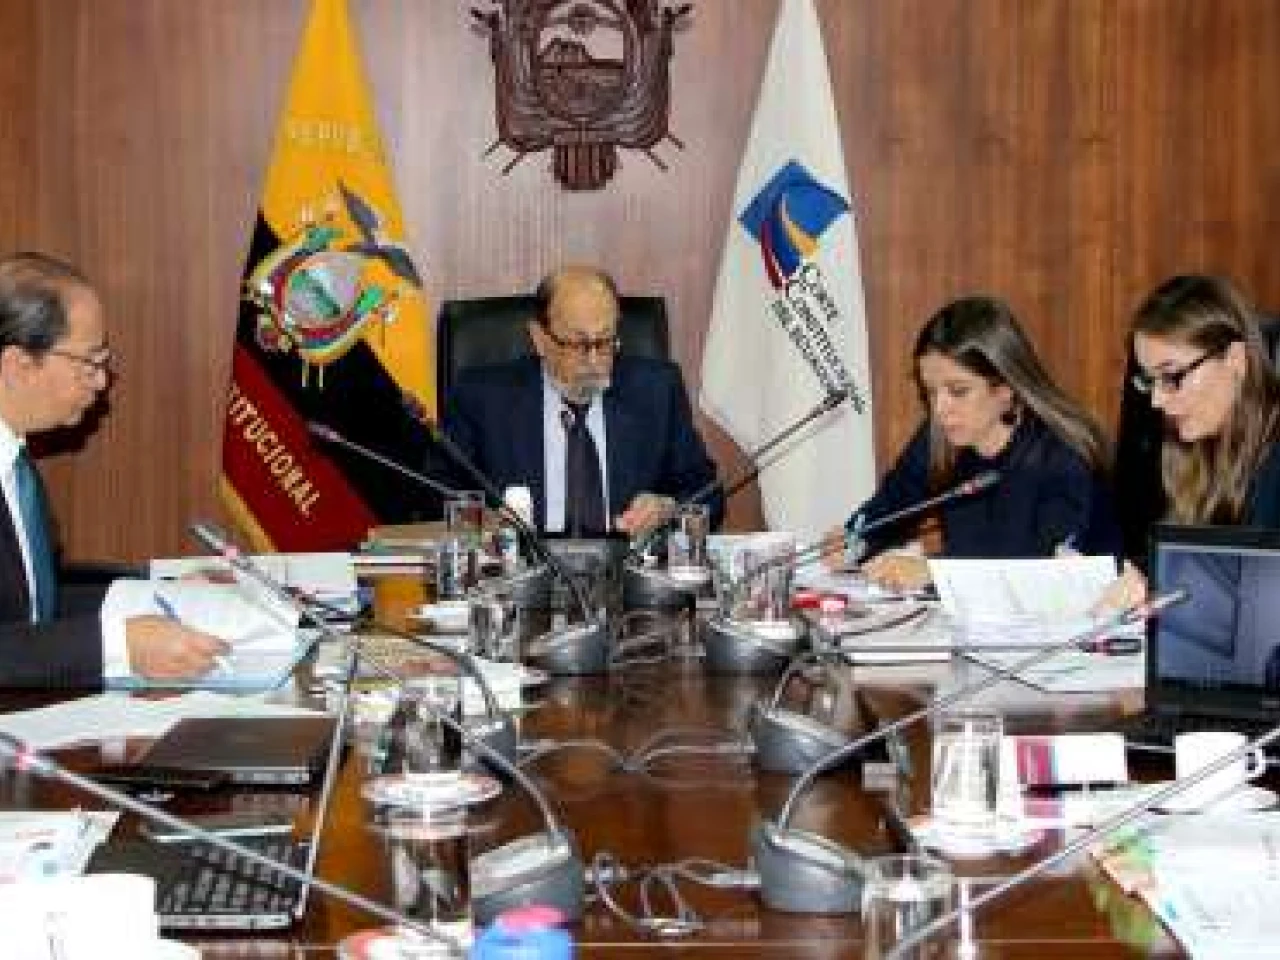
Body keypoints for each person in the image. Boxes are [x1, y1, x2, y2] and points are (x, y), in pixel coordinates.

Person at [0, 251, 227, 687]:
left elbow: (38, 603)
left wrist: (165, 593)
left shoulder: (14, 460)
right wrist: (117, 645)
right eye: (89, 362)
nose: (102, 381)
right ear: (18, 365)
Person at [832, 296, 1121, 591]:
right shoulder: (942, 437)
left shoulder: (1064, 454)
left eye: (958, 391)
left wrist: (935, 572)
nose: (940, 410)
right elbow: (892, 508)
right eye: (931, 392)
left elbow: (1042, 571)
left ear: (1005, 388)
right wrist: (855, 541)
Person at [442, 265, 724, 537]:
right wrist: (482, 522)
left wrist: (667, 509)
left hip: (625, 565)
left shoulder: (657, 390)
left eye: (604, 342)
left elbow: (708, 494)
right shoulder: (481, 397)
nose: (593, 361)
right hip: (522, 565)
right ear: (539, 338)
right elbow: (438, 492)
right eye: (577, 344)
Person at [1101, 274, 1280, 608]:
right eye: (1149, 381)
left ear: (1236, 360)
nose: (1156, 401)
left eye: (1172, 377)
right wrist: (1144, 577)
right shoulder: (1196, 451)